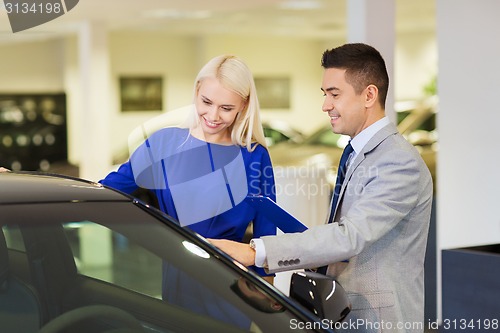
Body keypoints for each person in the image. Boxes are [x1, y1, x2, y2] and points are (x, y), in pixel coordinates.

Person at [210, 43, 433, 332]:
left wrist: (255, 253)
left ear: (369, 95)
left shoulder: (399, 162)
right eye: (325, 94)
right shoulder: (357, 153)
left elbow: (349, 237)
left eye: (334, 94)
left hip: (379, 322)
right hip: (347, 316)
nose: (325, 105)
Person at [100, 55, 277, 327]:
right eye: (206, 102)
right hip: (177, 280)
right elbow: (103, 190)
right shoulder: (162, 145)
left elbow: (266, 233)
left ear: (243, 105)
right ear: (196, 92)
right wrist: (25, 179)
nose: (214, 116)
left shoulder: (255, 156)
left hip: (234, 287)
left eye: (226, 108)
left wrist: (268, 293)